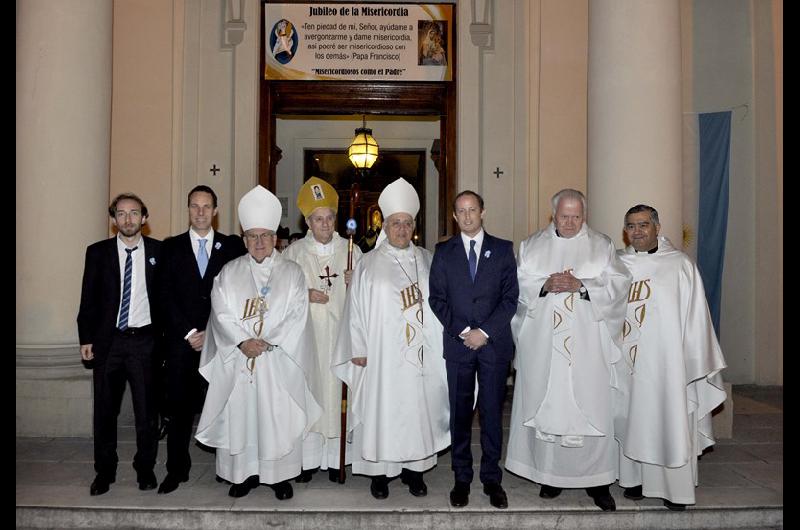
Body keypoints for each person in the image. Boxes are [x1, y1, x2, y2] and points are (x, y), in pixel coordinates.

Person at [505, 188, 631, 512]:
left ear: (584, 215)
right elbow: (516, 289)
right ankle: (550, 477)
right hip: (546, 347)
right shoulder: (532, 246)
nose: (571, 222)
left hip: (588, 348)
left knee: (590, 406)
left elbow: (619, 286)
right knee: (549, 403)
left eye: (577, 216)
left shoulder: (601, 246)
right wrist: (544, 286)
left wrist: (583, 286)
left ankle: (598, 482)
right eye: (565, 216)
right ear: (554, 215)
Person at [194, 185, 322, 500]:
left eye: (265, 236)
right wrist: (241, 342)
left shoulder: (292, 273)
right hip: (239, 362)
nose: (259, 242)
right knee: (241, 416)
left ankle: (278, 477)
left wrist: (266, 343)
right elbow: (220, 312)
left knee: (275, 416)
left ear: (276, 238)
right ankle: (243, 474)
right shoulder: (229, 271)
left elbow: (296, 314)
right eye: (252, 236)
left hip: (278, 361)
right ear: (244, 239)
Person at [332, 177, 449, 500]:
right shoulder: (368, 264)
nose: (401, 229)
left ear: (414, 225)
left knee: (417, 410)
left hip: (420, 355)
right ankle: (380, 475)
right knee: (383, 410)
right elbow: (354, 309)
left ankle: (414, 471)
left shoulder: (427, 260)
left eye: (407, 223)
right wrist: (357, 348)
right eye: (396, 223)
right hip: (381, 356)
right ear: (384, 225)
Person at [614, 204, 727, 510]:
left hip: (668, 363)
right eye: (631, 226)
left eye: (643, 225)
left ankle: (674, 490)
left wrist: (691, 359)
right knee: (629, 415)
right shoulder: (617, 264)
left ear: (657, 227)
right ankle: (634, 479)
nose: (637, 232)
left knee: (668, 419)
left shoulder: (679, 265)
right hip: (628, 360)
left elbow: (696, 318)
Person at [429, 190, 518, 509]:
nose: (467, 216)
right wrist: (465, 331)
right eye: (461, 211)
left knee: (492, 414)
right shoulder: (443, 252)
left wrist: (485, 332)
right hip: (459, 345)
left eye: (472, 210)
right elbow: (436, 298)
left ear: (483, 212)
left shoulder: (504, 250)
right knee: (460, 414)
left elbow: (510, 298)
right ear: (454, 216)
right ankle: (461, 477)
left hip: (493, 347)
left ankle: (492, 479)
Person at [155, 185, 246, 494]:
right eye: (195, 206)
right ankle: (176, 469)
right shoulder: (170, 247)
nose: (201, 212)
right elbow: (163, 295)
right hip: (183, 344)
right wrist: (189, 332)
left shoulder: (232, 247)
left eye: (206, 206)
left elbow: (239, 293)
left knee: (223, 404)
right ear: (188, 209)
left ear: (216, 211)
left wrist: (213, 331)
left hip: (220, 340)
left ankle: (226, 467)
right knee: (179, 408)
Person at [77, 193, 162, 496]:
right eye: (121, 214)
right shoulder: (97, 253)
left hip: (145, 343)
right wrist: (85, 337)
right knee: (104, 411)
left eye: (134, 213)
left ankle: (146, 468)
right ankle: (105, 471)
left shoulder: (159, 252)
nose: (128, 219)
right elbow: (88, 298)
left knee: (146, 412)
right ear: (113, 219)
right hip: (108, 342)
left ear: (145, 217)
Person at [282, 177, 363, 483]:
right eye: (319, 219)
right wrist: (303, 295)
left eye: (330, 218)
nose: (326, 224)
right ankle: (307, 461)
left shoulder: (353, 251)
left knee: (337, 397)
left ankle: (336, 461)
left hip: (341, 341)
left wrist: (357, 281)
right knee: (310, 395)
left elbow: (368, 295)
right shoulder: (292, 254)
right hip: (307, 343)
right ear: (307, 221)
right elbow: (276, 295)